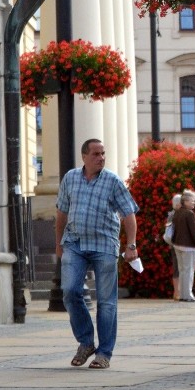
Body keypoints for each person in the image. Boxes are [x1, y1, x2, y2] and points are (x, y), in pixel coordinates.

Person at [56, 139, 139, 370]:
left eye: (103, 153)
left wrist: (131, 245)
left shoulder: (112, 181)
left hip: (104, 245)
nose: (101, 157)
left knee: (106, 303)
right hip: (74, 243)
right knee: (70, 291)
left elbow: (129, 214)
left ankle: (104, 353)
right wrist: (58, 243)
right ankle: (85, 342)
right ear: (84, 156)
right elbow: (61, 211)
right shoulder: (70, 178)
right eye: (96, 154)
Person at [171, 189, 195, 302]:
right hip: (188, 246)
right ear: (185, 201)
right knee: (189, 271)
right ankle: (188, 295)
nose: (194, 203)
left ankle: (182, 295)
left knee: (182, 270)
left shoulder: (177, 212)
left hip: (177, 245)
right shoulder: (189, 214)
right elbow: (194, 232)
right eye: (192, 201)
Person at [166, 194, 182, 300]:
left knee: (179, 268)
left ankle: (177, 292)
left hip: (175, 244)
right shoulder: (174, 215)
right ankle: (177, 292)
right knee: (179, 268)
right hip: (178, 244)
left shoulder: (171, 215)